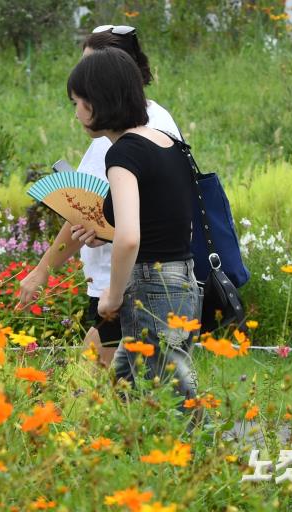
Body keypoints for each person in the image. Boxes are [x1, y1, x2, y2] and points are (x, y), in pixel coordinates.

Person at [18, 25, 181, 366]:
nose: (84, 85)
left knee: (94, 388)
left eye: (92, 77)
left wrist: (46, 270)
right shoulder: (155, 128)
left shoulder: (124, 147)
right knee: (138, 391)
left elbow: (117, 226)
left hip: (125, 284)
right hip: (153, 281)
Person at [67, 47, 200, 403]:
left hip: (149, 287)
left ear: (98, 103)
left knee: (174, 399)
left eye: (78, 102)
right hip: (183, 280)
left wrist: (112, 294)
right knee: (129, 395)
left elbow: (129, 238)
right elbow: (164, 220)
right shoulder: (169, 144)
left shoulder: (122, 154)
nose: (76, 112)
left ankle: (198, 456)